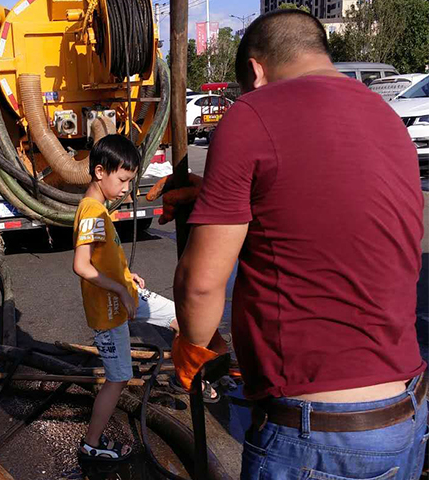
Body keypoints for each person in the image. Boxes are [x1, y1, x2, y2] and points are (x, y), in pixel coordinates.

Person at [171, 10, 427, 479]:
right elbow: (325, 206)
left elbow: (200, 286)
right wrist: (219, 197)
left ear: (255, 70)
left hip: (319, 435)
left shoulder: (251, 113)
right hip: (403, 414)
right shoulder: (388, 120)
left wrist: (193, 346)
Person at [72, 135, 226, 462]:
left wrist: (127, 277)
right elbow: (81, 266)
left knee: (183, 317)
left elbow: (105, 258)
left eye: (131, 180)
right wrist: (117, 288)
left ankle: (192, 379)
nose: (128, 188)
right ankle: (91, 443)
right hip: (110, 311)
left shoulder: (100, 208)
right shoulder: (90, 212)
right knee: (118, 378)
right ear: (100, 172)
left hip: (127, 295)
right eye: (123, 180)